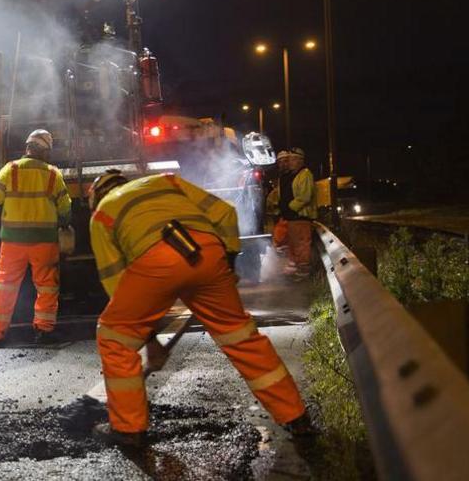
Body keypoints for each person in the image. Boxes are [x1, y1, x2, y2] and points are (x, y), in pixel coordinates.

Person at [87, 169, 313, 447]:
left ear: (97, 196)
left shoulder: (102, 214)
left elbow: (116, 281)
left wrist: (148, 338)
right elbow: (226, 213)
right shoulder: (165, 181)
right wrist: (227, 265)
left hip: (156, 261)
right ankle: (296, 416)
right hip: (208, 252)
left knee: (114, 337)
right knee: (240, 335)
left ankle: (128, 428)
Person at [0, 129, 73, 346]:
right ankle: (44, 331)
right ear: (45, 151)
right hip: (44, 241)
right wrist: (64, 223)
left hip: (13, 241)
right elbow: (65, 208)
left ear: (28, 148)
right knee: (46, 286)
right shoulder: (53, 174)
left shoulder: (11, 169)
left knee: (5, 285)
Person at [281, 148, 316, 278]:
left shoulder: (305, 174)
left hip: (301, 216)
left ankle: (303, 271)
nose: (289, 162)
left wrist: (290, 208)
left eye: (292, 159)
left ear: (300, 160)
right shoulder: (294, 175)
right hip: (294, 217)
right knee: (295, 244)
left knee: (301, 244)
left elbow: (305, 196)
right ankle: (298, 270)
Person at [266, 151, 292, 255]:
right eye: (280, 162)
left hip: (292, 213)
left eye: (285, 161)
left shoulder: (293, 175)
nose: (282, 164)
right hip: (285, 212)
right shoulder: (283, 177)